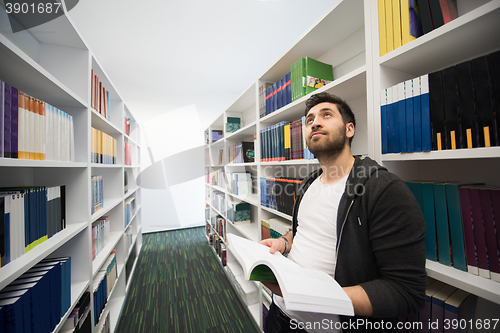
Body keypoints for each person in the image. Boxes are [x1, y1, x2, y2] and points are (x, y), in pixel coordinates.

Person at [260, 92, 427, 332]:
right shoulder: (308, 183)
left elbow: (405, 292)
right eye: (309, 120)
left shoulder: (383, 189)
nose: (315, 122)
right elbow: (305, 231)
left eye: (326, 115)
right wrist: (283, 243)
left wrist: (307, 293)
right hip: (279, 316)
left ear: (350, 129)